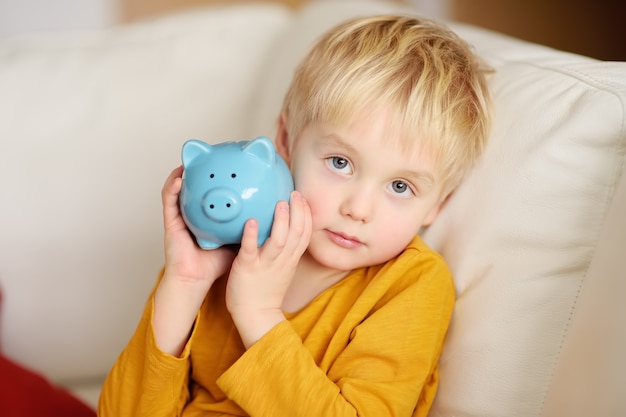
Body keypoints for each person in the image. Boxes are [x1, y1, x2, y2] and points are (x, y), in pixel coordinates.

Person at [98, 14, 492, 417]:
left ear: (438, 205)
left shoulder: (411, 284)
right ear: (285, 141)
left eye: (400, 187)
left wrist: (257, 314)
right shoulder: (227, 243)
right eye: (340, 162)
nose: (358, 209)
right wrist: (185, 283)